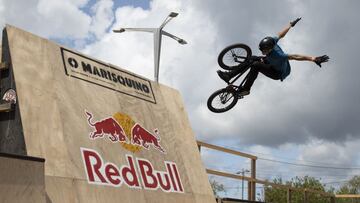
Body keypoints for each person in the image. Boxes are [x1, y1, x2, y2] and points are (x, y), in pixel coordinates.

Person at [217, 18, 330, 96]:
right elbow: (281, 34)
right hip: (271, 62)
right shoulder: (272, 41)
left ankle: (246, 90)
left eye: (264, 51)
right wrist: (290, 25)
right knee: (251, 59)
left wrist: (313, 58)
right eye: (262, 50)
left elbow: (295, 56)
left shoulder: (279, 56)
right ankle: (229, 75)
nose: (263, 52)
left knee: (255, 65)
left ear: (270, 49)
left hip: (277, 72)